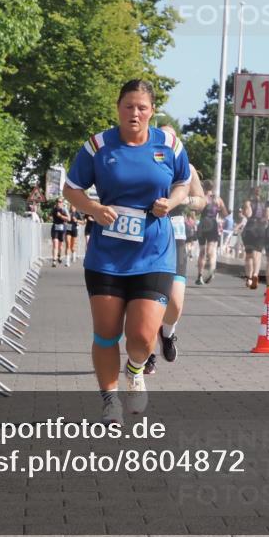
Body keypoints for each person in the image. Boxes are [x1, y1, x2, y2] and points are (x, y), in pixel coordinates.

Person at [62, 79, 191, 424]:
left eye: (142, 107)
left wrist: (172, 201)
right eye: (129, 106)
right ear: (118, 107)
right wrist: (92, 208)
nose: (135, 113)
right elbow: (71, 188)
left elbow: (183, 182)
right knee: (106, 332)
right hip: (107, 255)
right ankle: (110, 399)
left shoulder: (169, 145)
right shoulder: (98, 146)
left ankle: (135, 368)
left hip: (154, 253)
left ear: (151, 111)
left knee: (142, 335)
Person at [145, 126, 206, 376]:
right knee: (147, 301)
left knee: (176, 303)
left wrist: (183, 200)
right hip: (148, 237)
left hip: (176, 237)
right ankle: (146, 355)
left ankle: (167, 334)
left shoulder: (187, 168)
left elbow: (201, 201)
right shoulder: (148, 162)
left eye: (171, 138)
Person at [195, 182, 227, 285]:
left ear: (203, 187)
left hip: (203, 224)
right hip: (213, 224)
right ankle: (212, 269)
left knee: (202, 252)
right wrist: (219, 213)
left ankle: (200, 275)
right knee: (211, 250)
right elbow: (225, 213)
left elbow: (197, 212)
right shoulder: (218, 199)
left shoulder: (203, 198)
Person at [242, 187, 268, 289]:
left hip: (250, 228)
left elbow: (248, 214)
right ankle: (255, 275)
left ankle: (248, 278)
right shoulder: (265, 203)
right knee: (258, 255)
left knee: (249, 255)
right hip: (261, 229)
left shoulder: (248, 202)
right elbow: (267, 217)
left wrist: (246, 207)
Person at [50, 198, 70, 266]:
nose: (59, 203)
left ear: (62, 203)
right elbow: (49, 216)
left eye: (60, 202)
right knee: (55, 244)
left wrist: (61, 216)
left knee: (60, 246)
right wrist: (50, 217)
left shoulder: (64, 209)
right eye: (57, 202)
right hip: (55, 227)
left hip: (62, 227)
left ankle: (59, 255)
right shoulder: (54, 209)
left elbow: (69, 219)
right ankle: (54, 261)